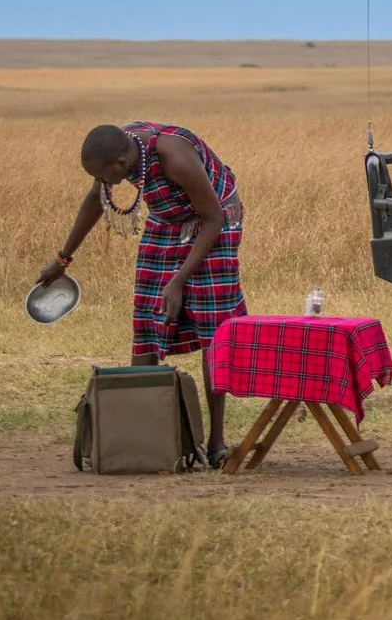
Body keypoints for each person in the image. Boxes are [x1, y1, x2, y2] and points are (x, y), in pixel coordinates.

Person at [37, 121, 247, 464]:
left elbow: (213, 218)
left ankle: (217, 442)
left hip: (216, 222)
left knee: (213, 331)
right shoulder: (117, 148)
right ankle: (144, 436)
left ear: (121, 164)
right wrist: (64, 258)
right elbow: (95, 201)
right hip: (167, 221)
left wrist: (178, 281)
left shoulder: (173, 156)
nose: (105, 183)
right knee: (148, 320)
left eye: (107, 176)